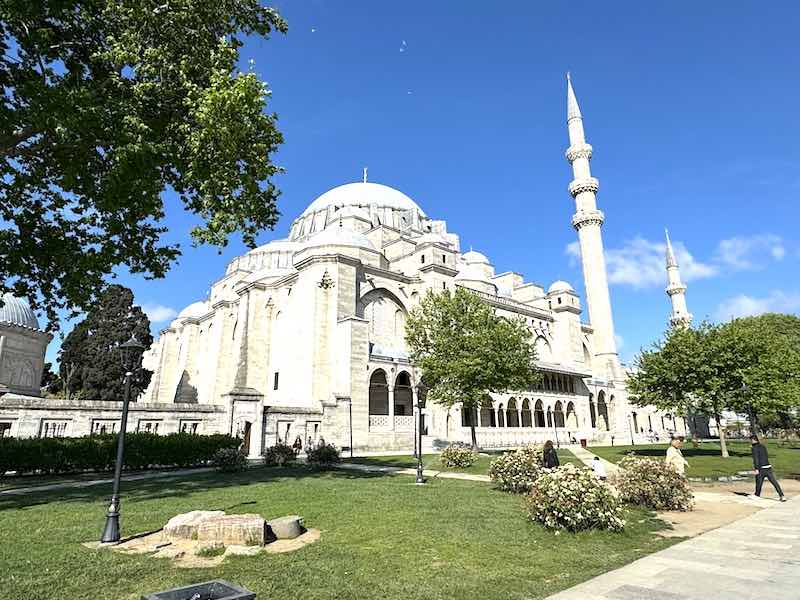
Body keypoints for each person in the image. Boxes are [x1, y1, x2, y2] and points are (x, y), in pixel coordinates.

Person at [751, 435, 786, 502]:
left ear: (753, 440)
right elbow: (766, 456)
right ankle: (782, 495)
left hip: (761, 468)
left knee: (758, 481)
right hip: (768, 467)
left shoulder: (754, 448)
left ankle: (757, 495)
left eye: (751, 440)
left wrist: (756, 468)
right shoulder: (763, 446)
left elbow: (756, 459)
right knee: (774, 482)